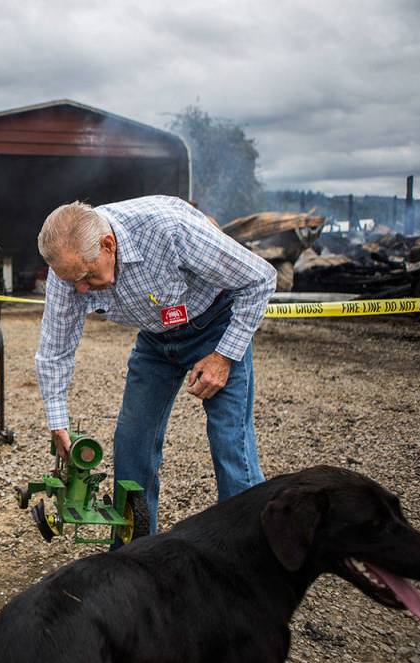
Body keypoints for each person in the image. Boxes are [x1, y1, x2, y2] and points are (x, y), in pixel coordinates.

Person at [34, 196, 276, 535]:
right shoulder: (69, 267)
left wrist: (224, 356)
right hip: (155, 337)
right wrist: (57, 420)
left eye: (87, 277)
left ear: (109, 245)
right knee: (133, 441)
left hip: (215, 325)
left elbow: (260, 279)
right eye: (73, 280)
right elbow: (55, 349)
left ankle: (253, 548)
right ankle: (133, 554)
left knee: (229, 442)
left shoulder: (169, 230)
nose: (80, 289)